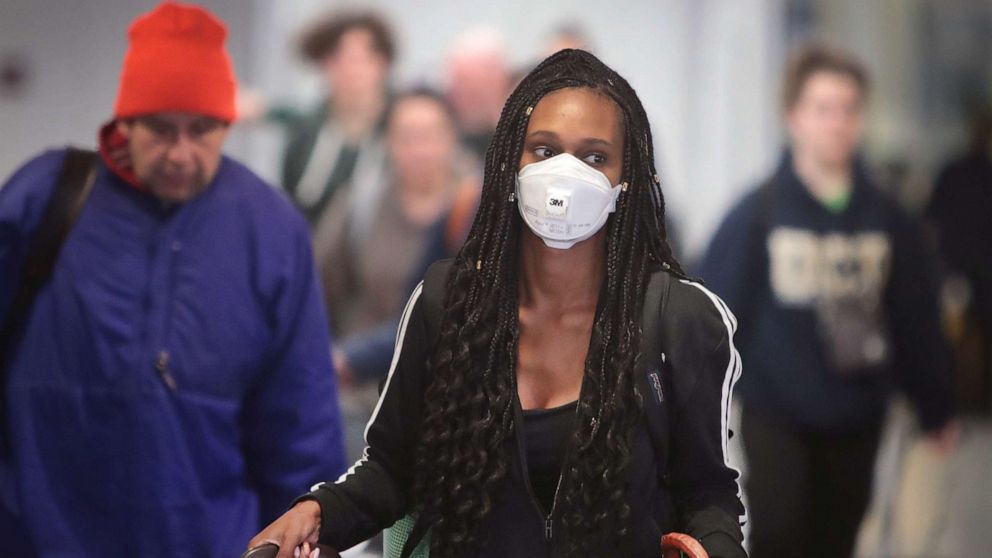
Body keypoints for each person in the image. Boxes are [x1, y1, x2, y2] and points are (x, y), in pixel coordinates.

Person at [248, 49, 747, 558]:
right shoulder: (450, 305)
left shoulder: (680, 319)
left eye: (594, 156)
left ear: (625, 181)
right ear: (511, 160)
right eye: (545, 150)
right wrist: (317, 512)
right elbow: (394, 472)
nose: (566, 174)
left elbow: (708, 494)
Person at [0, 3, 346, 556]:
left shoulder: (270, 231)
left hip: (205, 537)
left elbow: (299, 414)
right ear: (126, 122)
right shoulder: (47, 198)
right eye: (162, 129)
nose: (182, 153)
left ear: (227, 125)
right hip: (38, 530)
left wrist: (316, 530)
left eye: (202, 130)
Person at [699, 42, 956, 558]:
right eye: (823, 109)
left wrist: (936, 407)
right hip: (778, 412)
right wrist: (693, 412)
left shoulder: (889, 218)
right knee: (781, 535)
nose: (837, 123)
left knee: (837, 541)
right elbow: (712, 317)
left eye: (849, 110)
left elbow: (915, 316)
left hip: (858, 413)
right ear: (793, 117)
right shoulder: (757, 213)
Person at [315, 88, 479, 387]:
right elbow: (319, 290)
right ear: (388, 141)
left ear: (452, 137)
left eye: (430, 135)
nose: (419, 149)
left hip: (448, 391)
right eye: (407, 137)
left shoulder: (476, 209)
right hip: (362, 388)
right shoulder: (359, 206)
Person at [282, 10, 395, 225]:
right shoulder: (306, 133)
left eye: (361, 58)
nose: (350, 70)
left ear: (383, 62)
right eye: (338, 59)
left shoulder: (403, 126)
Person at [927, 102, 992, 414]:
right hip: (959, 269)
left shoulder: (957, 173)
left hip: (968, 268)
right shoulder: (956, 172)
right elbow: (932, 219)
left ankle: (971, 398)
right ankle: (962, 398)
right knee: (957, 335)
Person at [444, 26, 512, 163]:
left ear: (502, 82)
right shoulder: (441, 141)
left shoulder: (521, 135)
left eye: (477, 87)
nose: (466, 96)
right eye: (462, 82)